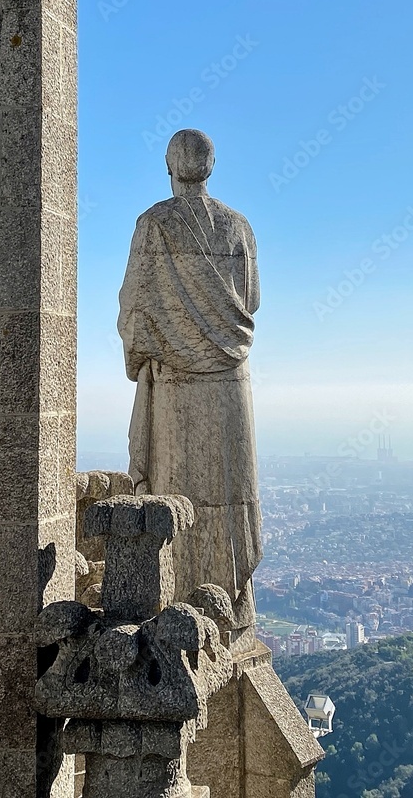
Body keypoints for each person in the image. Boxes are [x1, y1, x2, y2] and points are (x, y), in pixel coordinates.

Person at [118, 129, 262, 645]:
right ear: (212, 165)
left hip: (176, 390)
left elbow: (135, 308)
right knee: (227, 498)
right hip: (230, 389)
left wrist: (153, 346)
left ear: (168, 166)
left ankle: (178, 618)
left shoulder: (154, 224)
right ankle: (232, 611)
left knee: (176, 499)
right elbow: (251, 300)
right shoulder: (238, 227)